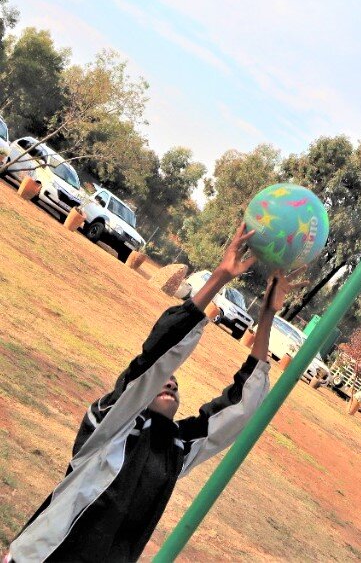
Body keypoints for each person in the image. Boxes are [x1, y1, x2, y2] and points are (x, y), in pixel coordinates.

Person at [6, 223, 306, 563]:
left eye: (176, 385)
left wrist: (266, 316)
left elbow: (241, 406)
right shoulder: (110, 423)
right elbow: (157, 357)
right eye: (165, 381)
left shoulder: (177, 449)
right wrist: (219, 277)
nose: (171, 382)